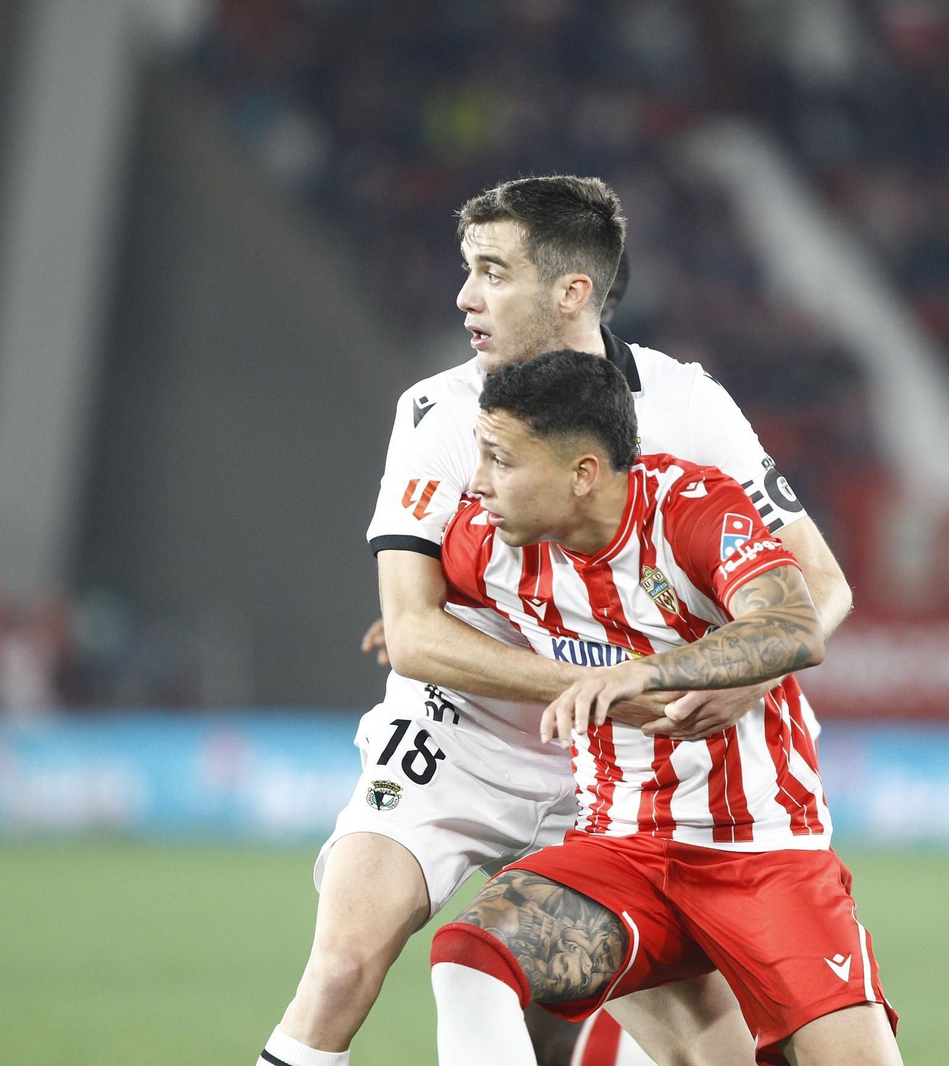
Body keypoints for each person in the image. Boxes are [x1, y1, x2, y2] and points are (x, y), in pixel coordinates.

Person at [257, 176, 854, 1066]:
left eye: (492, 272)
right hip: (459, 741)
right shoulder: (442, 412)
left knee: (696, 1053)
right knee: (342, 970)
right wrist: (601, 687)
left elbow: (818, 584)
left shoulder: (688, 406)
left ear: (572, 291)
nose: (465, 297)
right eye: (468, 271)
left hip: (625, 776)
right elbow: (414, 633)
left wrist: (747, 676)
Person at [429, 351, 901, 1065]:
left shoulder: (691, 506)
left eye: (500, 460)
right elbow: (415, 615)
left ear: (583, 473)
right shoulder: (488, 543)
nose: (480, 482)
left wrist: (640, 676)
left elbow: (794, 624)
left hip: (764, 851)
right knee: (469, 958)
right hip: (622, 850)